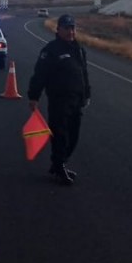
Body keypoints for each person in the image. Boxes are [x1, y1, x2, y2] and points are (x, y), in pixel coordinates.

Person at [27, 14, 91, 185]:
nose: (71, 32)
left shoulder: (78, 49)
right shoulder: (51, 50)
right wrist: (34, 96)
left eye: (73, 28)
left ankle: (60, 164)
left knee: (73, 136)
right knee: (60, 135)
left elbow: (83, 73)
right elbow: (40, 75)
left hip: (76, 100)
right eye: (67, 28)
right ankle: (59, 165)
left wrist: (87, 94)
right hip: (59, 100)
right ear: (59, 29)